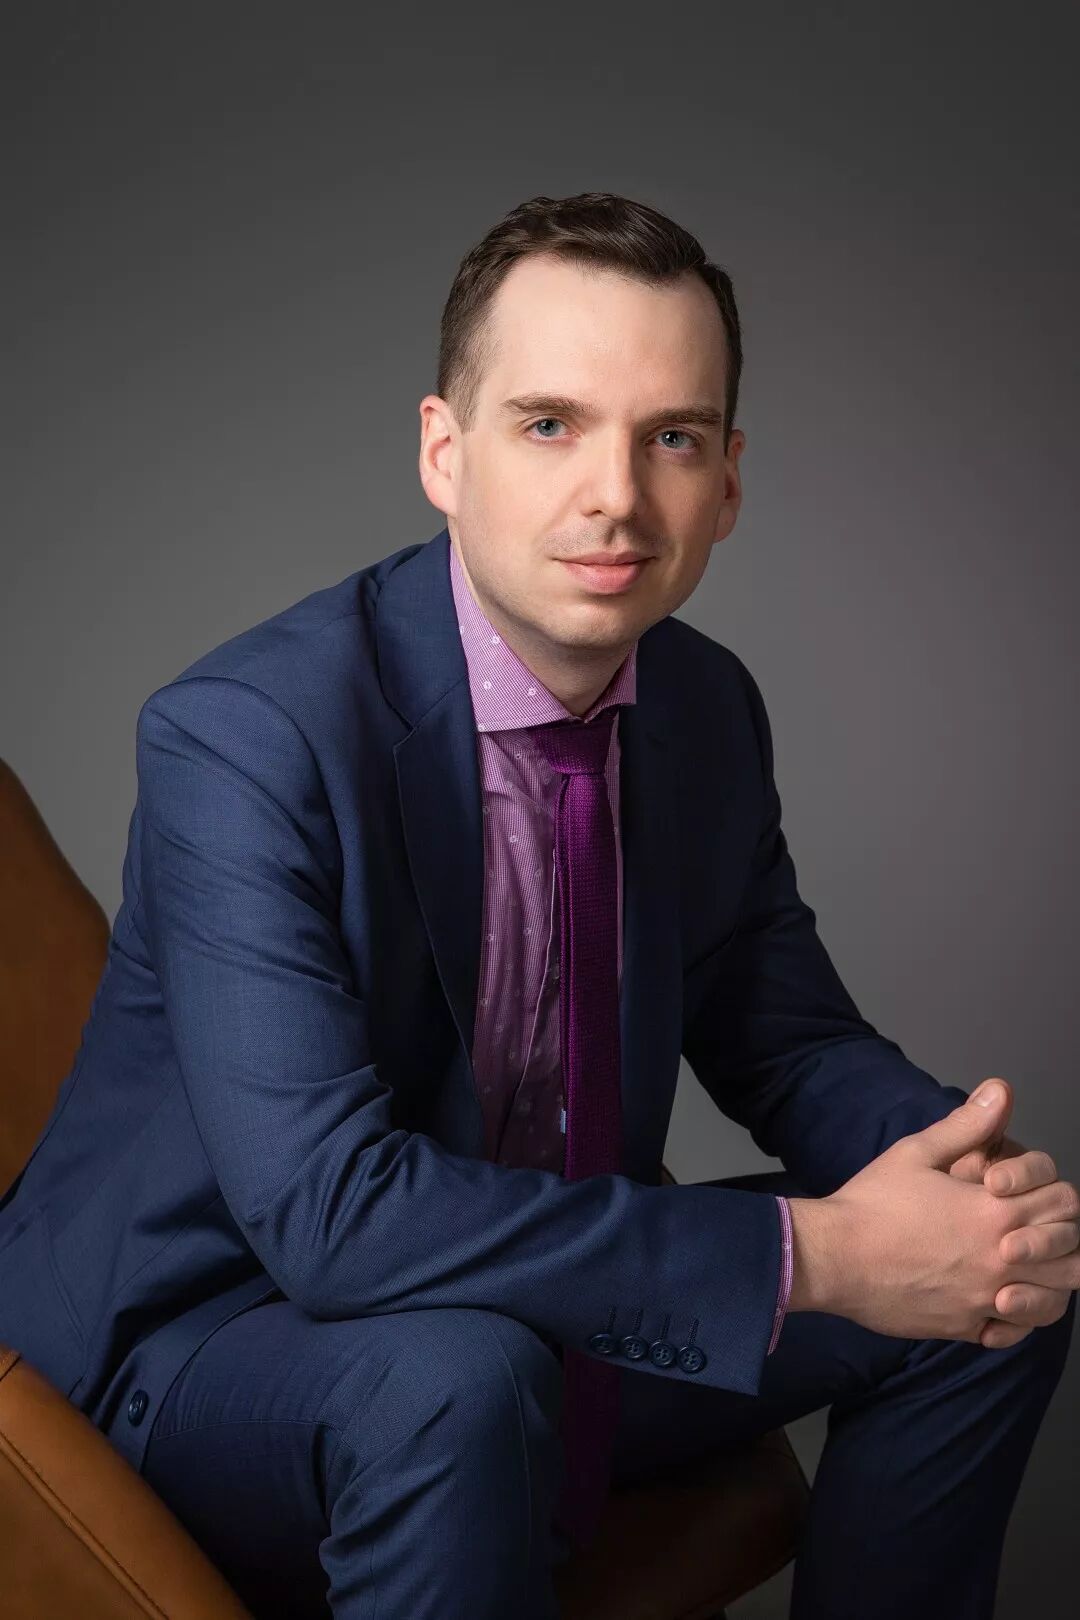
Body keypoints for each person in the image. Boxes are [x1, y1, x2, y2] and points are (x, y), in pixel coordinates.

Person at [0, 191, 1075, 1620]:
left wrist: (965, 1184)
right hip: (206, 1344)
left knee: (987, 1298)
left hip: (528, 1297)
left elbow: (788, 1036)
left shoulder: (703, 706)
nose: (616, 496)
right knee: (459, 1379)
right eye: (552, 424)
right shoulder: (249, 736)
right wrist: (816, 1255)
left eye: (671, 437)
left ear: (728, 482)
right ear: (445, 453)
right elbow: (330, 1215)